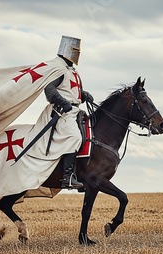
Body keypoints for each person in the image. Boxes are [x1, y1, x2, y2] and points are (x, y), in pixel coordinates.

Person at [42, 35, 94, 189]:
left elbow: (73, 91)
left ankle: (83, 174)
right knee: (75, 137)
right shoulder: (58, 68)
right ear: (67, 49)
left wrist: (84, 95)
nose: (77, 53)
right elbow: (49, 89)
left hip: (75, 111)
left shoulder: (73, 71)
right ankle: (68, 178)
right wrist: (63, 103)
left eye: (78, 50)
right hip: (62, 112)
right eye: (75, 50)